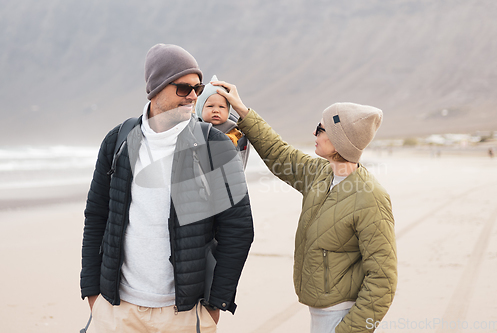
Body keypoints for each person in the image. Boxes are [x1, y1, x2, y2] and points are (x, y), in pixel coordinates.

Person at [80, 44, 254, 333]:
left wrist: (215, 304)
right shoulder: (118, 141)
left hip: (184, 314)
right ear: (156, 89)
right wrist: (92, 292)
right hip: (116, 310)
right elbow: (96, 216)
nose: (194, 97)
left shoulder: (214, 146)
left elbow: (238, 229)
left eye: (197, 88)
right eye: (184, 88)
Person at [211, 80, 397, 333]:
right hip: (320, 313)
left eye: (321, 128)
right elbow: (279, 153)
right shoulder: (320, 173)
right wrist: (242, 110)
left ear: (340, 139)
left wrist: (349, 330)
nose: (314, 133)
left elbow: (383, 280)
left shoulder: (371, 197)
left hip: (342, 316)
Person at [194, 75, 250, 167]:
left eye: (221, 107)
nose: (216, 110)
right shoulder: (193, 129)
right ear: (200, 109)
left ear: (228, 111)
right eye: (210, 106)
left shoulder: (235, 133)